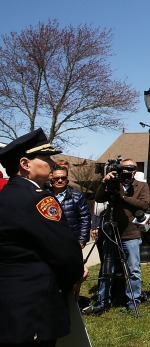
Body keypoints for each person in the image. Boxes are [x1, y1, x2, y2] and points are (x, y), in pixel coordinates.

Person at [0, 129, 86, 346]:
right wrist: (74, 275)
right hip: (36, 304)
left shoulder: (7, 196)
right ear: (25, 164)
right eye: (45, 158)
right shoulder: (39, 199)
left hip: (10, 303)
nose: (52, 163)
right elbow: (65, 250)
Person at [88, 157, 149, 313]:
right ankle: (103, 301)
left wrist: (123, 197)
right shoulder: (114, 183)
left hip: (131, 233)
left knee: (133, 269)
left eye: (132, 169)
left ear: (136, 171)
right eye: (125, 169)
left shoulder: (141, 186)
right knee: (107, 268)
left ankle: (133, 300)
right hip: (111, 233)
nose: (128, 172)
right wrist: (104, 182)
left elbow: (144, 204)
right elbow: (99, 198)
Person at [50, 165, 91, 249]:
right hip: (50, 241)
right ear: (51, 179)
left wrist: (82, 240)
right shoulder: (45, 196)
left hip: (71, 241)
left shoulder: (77, 196)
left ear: (67, 179)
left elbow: (85, 219)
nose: (60, 180)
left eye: (63, 178)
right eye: (57, 178)